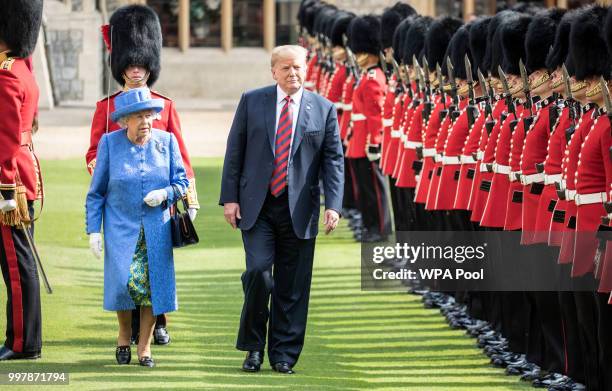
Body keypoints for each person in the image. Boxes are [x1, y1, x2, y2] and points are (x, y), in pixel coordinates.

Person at [219, 45, 344, 374]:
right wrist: (229, 199)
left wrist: (333, 205)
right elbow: (235, 151)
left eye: (298, 67)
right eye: (285, 68)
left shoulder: (324, 109)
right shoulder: (252, 101)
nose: (293, 73)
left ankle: (284, 353)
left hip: (300, 209)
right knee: (259, 273)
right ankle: (253, 347)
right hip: (257, 206)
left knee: (293, 285)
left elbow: (333, 161)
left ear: (308, 69)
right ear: (273, 71)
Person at [87, 4, 198, 345]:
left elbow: (179, 152)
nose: (136, 70)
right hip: (121, 200)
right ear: (121, 66)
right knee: (125, 267)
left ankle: (157, 323)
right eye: (130, 64)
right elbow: (94, 152)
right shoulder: (107, 109)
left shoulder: (165, 104)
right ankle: (129, 328)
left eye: (141, 64)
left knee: (156, 265)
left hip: (159, 200)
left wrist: (188, 195)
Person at [85, 88, 189, 367]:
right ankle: (123, 335)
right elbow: (96, 193)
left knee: (152, 289)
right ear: (124, 121)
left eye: (149, 115)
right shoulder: (109, 144)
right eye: (138, 116)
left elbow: (182, 183)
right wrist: (94, 230)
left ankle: (144, 348)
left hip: (156, 228)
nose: (146, 121)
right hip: (120, 227)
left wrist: (165, 194)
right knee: (124, 284)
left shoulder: (167, 142)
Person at [0, 0, 44, 361]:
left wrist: (4, 192)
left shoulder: (6, 73)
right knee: (20, 259)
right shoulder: (23, 69)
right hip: (21, 175)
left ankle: (23, 343)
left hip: (7, 182)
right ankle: (21, 337)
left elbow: (7, 140)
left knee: (16, 264)